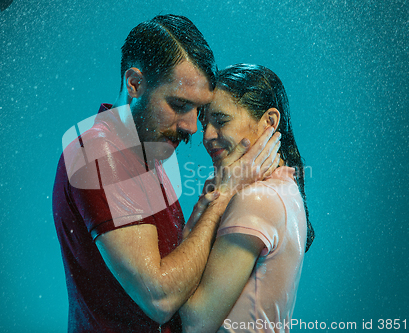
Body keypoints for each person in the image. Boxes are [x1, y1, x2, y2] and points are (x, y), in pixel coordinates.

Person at [52, 16, 281, 332]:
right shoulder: (100, 153)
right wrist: (224, 195)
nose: (191, 126)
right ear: (134, 84)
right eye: (178, 104)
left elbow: (175, 264)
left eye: (197, 111)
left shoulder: (148, 151)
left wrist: (206, 205)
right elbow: (159, 298)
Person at [179, 64, 315, 333]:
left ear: (269, 122)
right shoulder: (285, 189)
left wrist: (222, 196)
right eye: (205, 123)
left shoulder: (258, 198)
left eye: (221, 120)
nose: (206, 136)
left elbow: (195, 323)